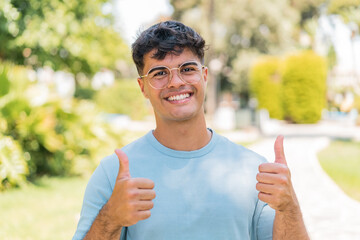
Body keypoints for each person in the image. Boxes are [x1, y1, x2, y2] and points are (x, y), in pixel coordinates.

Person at [73, 20, 309, 240]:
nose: (175, 82)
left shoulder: (254, 170)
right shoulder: (113, 174)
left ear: (204, 76)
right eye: (159, 73)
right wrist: (110, 219)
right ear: (142, 87)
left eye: (187, 69)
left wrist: (290, 207)